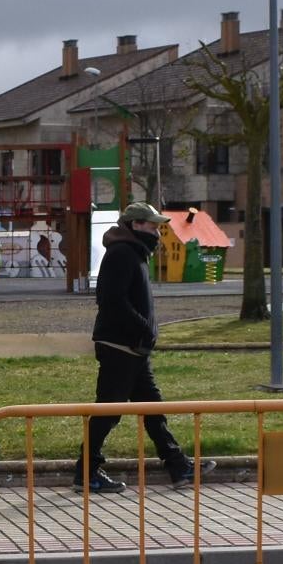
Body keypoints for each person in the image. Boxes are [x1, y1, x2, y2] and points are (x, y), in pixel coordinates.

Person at [81, 200, 198, 494]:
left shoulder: (135, 253)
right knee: (108, 412)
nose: (158, 231)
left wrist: (145, 334)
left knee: (152, 409)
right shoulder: (122, 254)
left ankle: (177, 465)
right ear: (135, 225)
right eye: (152, 225)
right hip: (120, 346)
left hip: (134, 348)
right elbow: (113, 301)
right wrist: (143, 328)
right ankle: (86, 472)